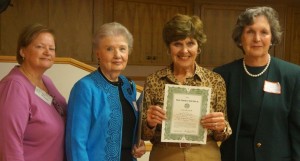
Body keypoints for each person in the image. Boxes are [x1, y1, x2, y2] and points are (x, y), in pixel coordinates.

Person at [214, 6, 300, 161]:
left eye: (264, 32)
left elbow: (297, 131)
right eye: (250, 31)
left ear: (272, 37)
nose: (257, 38)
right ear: (240, 37)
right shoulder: (222, 75)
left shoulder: (293, 75)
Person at [141, 14, 232, 161]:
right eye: (177, 44)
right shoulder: (153, 81)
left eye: (190, 43)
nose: (184, 51)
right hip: (165, 154)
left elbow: (223, 135)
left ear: (199, 47)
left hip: (205, 153)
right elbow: (144, 135)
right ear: (168, 48)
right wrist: (150, 124)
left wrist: (221, 127)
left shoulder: (215, 81)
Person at [65, 22, 145, 161]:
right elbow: (76, 142)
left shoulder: (128, 86)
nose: (117, 55)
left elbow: (127, 129)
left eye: (122, 49)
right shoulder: (84, 88)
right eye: (109, 49)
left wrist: (139, 144)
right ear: (98, 53)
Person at [0, 23, 67, 161]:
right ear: (22, 51)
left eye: (52, 48)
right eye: (40, 47)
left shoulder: (46, 81)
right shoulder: (14, 86)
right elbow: (9, 145)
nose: (47, 52)